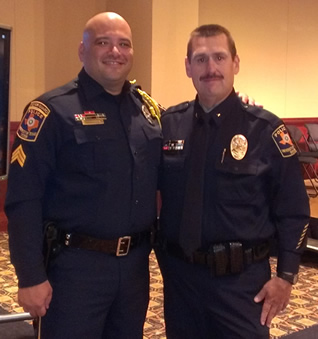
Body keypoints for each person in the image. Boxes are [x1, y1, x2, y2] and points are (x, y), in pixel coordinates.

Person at [5, 12, 162, 338]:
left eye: (124, 44)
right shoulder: (52, 111)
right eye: (103, 42)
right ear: (82, 51)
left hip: (134, 268)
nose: (115, 51)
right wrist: (30, 275)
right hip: (75, 269)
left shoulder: (146, 112)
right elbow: (24, 198)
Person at [156, 24, 310, 338]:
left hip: (241, 284)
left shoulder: (265, 130)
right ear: (188, 67)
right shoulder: (168, 125)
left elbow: (294, 209)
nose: (210, 68)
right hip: (180, 281)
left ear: (235, 63)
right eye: (200, 59)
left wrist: (286, 276)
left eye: (219, 57)